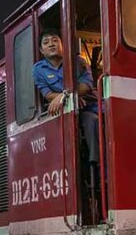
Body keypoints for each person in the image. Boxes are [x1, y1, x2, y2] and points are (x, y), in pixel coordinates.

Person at [32, 28, 100, 166]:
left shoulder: (78, 61)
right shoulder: (38, 69)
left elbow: (86, 85)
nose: (51, 44)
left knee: (93, 120)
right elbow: (48, 95)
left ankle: (97, 165)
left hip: (90, 105)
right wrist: (69, 99)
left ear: (63, 44)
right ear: (41, 50)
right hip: (66, 112)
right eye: (46, 42)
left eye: (55, 40)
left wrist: (66, 96)